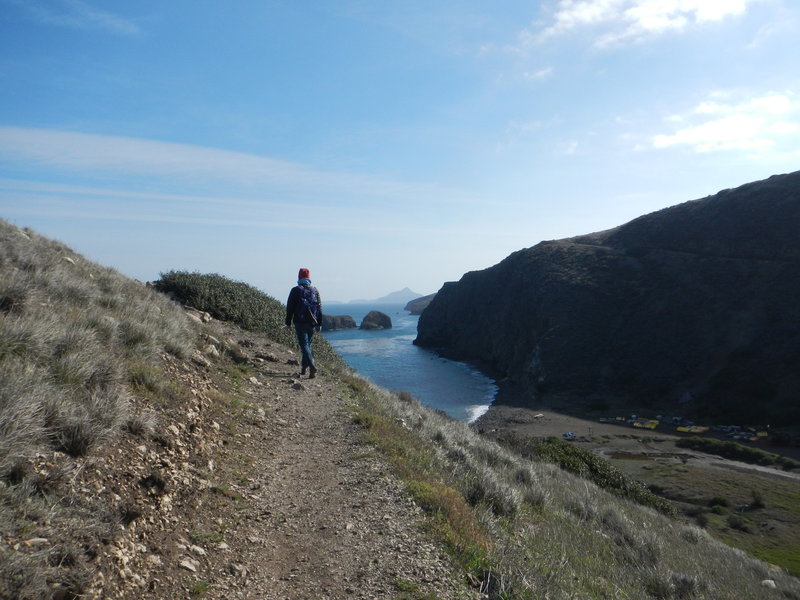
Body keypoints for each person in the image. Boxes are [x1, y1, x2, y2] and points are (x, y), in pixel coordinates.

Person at [284, 268, 322, 378]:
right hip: (312, 322)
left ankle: (312, 366)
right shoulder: (315, 290)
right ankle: (304, 369)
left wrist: (288, 323)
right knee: (308, 345)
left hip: (300, 322)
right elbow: (319, 308)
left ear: (299, 277)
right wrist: (319, 324)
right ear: (309, 277)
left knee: (304, 345)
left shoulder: (295, 290)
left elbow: (290, 308)